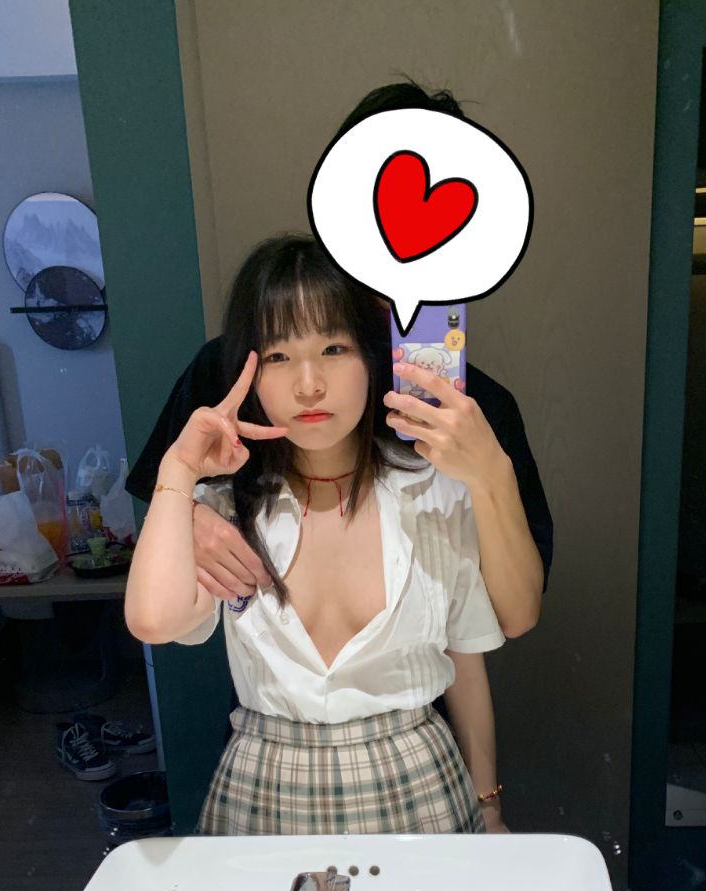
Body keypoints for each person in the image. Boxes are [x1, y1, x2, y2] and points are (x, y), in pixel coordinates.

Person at [126, 79, 553, 640]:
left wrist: (490, 472)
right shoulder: (235, 371)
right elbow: (160, 500)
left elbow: (514, 613)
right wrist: (188, 517)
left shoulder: (475, 408)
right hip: (272, 672)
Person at [125, 234, 511, 836]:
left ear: (374, 358)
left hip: (419, 780)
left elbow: (466, 660)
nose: (308, 384)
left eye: (333, 347)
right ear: (248, 373)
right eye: (278, 356)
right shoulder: (224, 510)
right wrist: (178, 472)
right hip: (261, 786)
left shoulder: (436, 490)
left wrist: (490, 808)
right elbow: (154, 622)